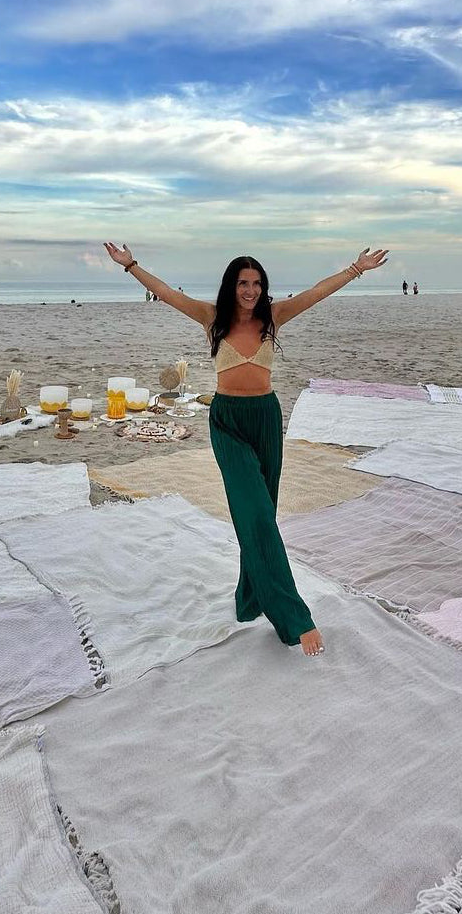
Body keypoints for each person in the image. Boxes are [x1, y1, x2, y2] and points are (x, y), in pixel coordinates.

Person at [103, 242, 389, 657]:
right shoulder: (211, 317)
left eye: (256, 283)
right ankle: (295, 619)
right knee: (253, 512)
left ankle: (250, 597)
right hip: (227, 423)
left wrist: (355, 269)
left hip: (266, 420)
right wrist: (130, 265)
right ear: (231, 285)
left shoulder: (274, 316)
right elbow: (166, 293)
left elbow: (315, 293)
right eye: (243, 283)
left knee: (262, 515)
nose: (250, 290)